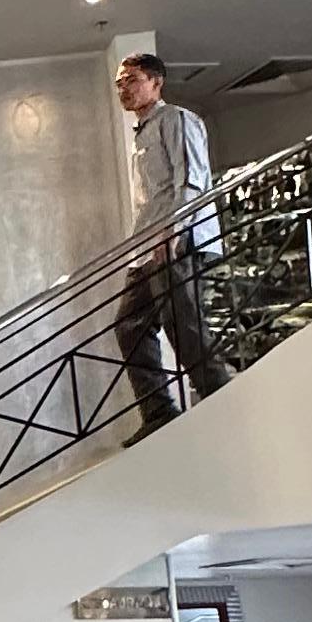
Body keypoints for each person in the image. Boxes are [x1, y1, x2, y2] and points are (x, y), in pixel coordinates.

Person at [112, 51, 232, 434]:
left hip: (175, 242)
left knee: (184, 327)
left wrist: (175, 231)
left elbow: (192, 179)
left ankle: (224, 405)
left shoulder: (176, 119)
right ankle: (159, 412)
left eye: (132, 80)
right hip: (147, 247)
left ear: (156, 82)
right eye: (120, 83)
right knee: (130, 325)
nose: (124, 89)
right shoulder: (142, 133)